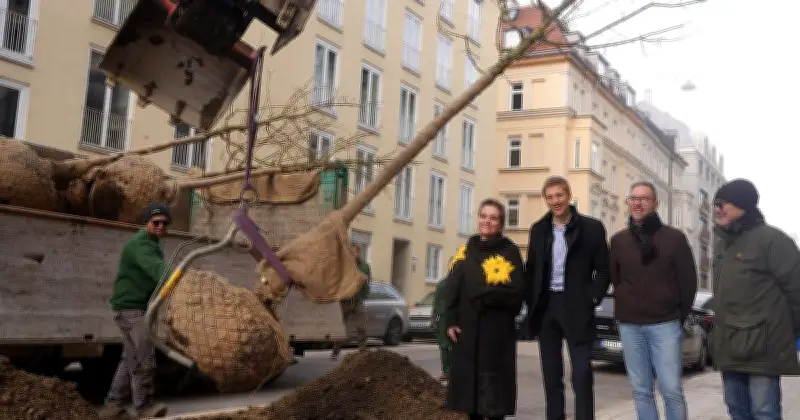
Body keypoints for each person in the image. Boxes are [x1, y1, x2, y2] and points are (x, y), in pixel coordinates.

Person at [710, 179, 800, 420]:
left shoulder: (773, 240)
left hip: (764, 346)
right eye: (715, 204)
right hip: (730, 344)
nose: (716, 208)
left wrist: (793, 333)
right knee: (737, 410)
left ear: (743, 205)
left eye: (722, 203)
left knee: (764, 412)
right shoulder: (722, 243)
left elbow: (796, 290)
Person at [523, 175, 610, 420]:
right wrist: (532, 301)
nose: (555, 201)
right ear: (545, 200)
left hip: (577, 307)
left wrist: (592, 298)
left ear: (569, 195)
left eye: (559, 195)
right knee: (552, 375)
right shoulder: (539, 229)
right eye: (549, 197)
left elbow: (604, 269)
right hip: (547, 308)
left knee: (581, 374)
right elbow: (531, 270)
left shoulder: (591, 228)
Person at [609, 181, 697, 420]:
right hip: (630, 326)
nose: (638, 203)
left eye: (644, 198)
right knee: (641, 390)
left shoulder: (674, 238)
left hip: (665, 325)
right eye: (633, 198)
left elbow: (688, 282)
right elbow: (617, 280)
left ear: (655, 203)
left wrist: (677, 317)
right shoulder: (618, 241)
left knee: (671, 390)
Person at [444, 198, 526, 420]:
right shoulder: (466, 250)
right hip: (467, 331)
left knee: (493, 397)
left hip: (495, 333)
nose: (487, 221)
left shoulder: (509, 252)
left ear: (500, 224)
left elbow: (516, 293)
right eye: (483, 216)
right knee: (470, 399)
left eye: (493, 218)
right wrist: (450, 320)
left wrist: (485, 295)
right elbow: (452, 287)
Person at [98, 203, 171, 420]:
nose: (160, 226)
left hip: (132, 308)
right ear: (147, 222)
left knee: (129, 359)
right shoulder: (141, 244)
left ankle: (113, 406)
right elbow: (159, 272)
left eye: (164, 223)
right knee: (143, 358)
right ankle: (144, 408)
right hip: (132, 309)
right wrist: (187, 282)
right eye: (155, 222)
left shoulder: (152, 243)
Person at [330, 243, 371, 360]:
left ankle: (362, 349)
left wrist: (364, 294)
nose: (354, 254)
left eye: (356, 251)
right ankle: (335, 350)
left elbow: (368, 283)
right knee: (341, 326)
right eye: (351, 251)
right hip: (346, 300)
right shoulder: (345, 265)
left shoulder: (365, 266)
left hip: (358, 300)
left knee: (362, 325)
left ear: (358, 253)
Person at [432, 270, 453, 383]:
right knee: (446, 346)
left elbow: (435, 304)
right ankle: (448, 371)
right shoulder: (451, 284)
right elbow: (436, 303)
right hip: (447, 318)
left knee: (445, 346)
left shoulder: (442, 284)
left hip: (444, 318)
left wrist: (433, 318)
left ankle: (447, 371)